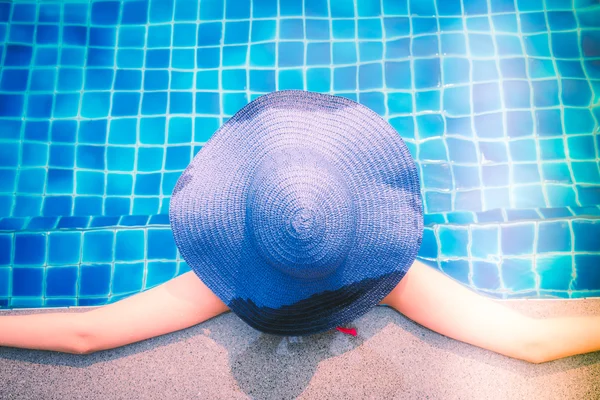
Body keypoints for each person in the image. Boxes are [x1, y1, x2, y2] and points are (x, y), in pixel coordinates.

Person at [1, 91, 598, 365]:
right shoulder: (396, 277)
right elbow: (531, 342)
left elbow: (88, 334)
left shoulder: (223, 284)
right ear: (358, 213)